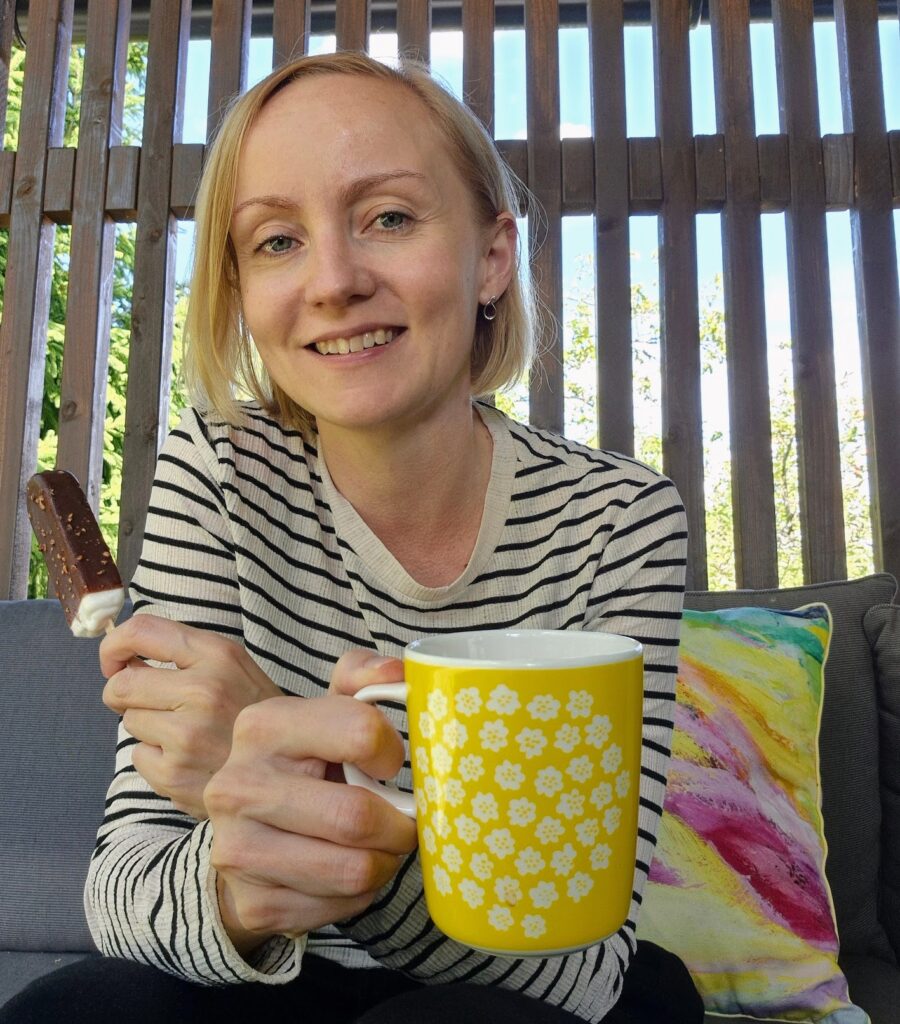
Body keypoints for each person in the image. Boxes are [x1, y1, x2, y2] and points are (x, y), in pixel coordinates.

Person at [0, 51, 697, 1024]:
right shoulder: (221, 468)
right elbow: (126, 888)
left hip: (495, 993)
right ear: (243, 290)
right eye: (278, 240)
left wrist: (319, 811)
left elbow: (570, 969)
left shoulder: (621, 519)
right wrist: (249, 887)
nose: (332, 281)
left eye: (390, 218)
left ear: (492, 256)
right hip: (268, 966)